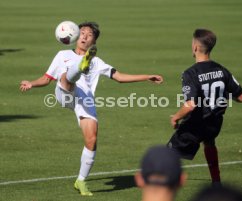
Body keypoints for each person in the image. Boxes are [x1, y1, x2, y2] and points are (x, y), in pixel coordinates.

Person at [20, 21, 163, 196]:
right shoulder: (62, 54)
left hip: (84, 101)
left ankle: (80, 181)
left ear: (93, 43)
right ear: (75, 36)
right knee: (67, 78)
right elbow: (46, 78)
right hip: (64, 93)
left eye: (89, 35)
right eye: (82, 33)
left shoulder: (97, 62)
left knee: (92, 139)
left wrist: (146, 76)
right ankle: (78, 68)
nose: (85, 36)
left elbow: (119, 77)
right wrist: (32, 84)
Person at [167, 29, 242, 187]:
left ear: (195, 47)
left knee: (167, 153)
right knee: (209, 142)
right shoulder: (222, 70)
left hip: (196, 125)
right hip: (214, 124)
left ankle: (161, 187)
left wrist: (176, 117)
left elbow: (190, 105)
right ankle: (216, 181)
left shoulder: (191, 73)